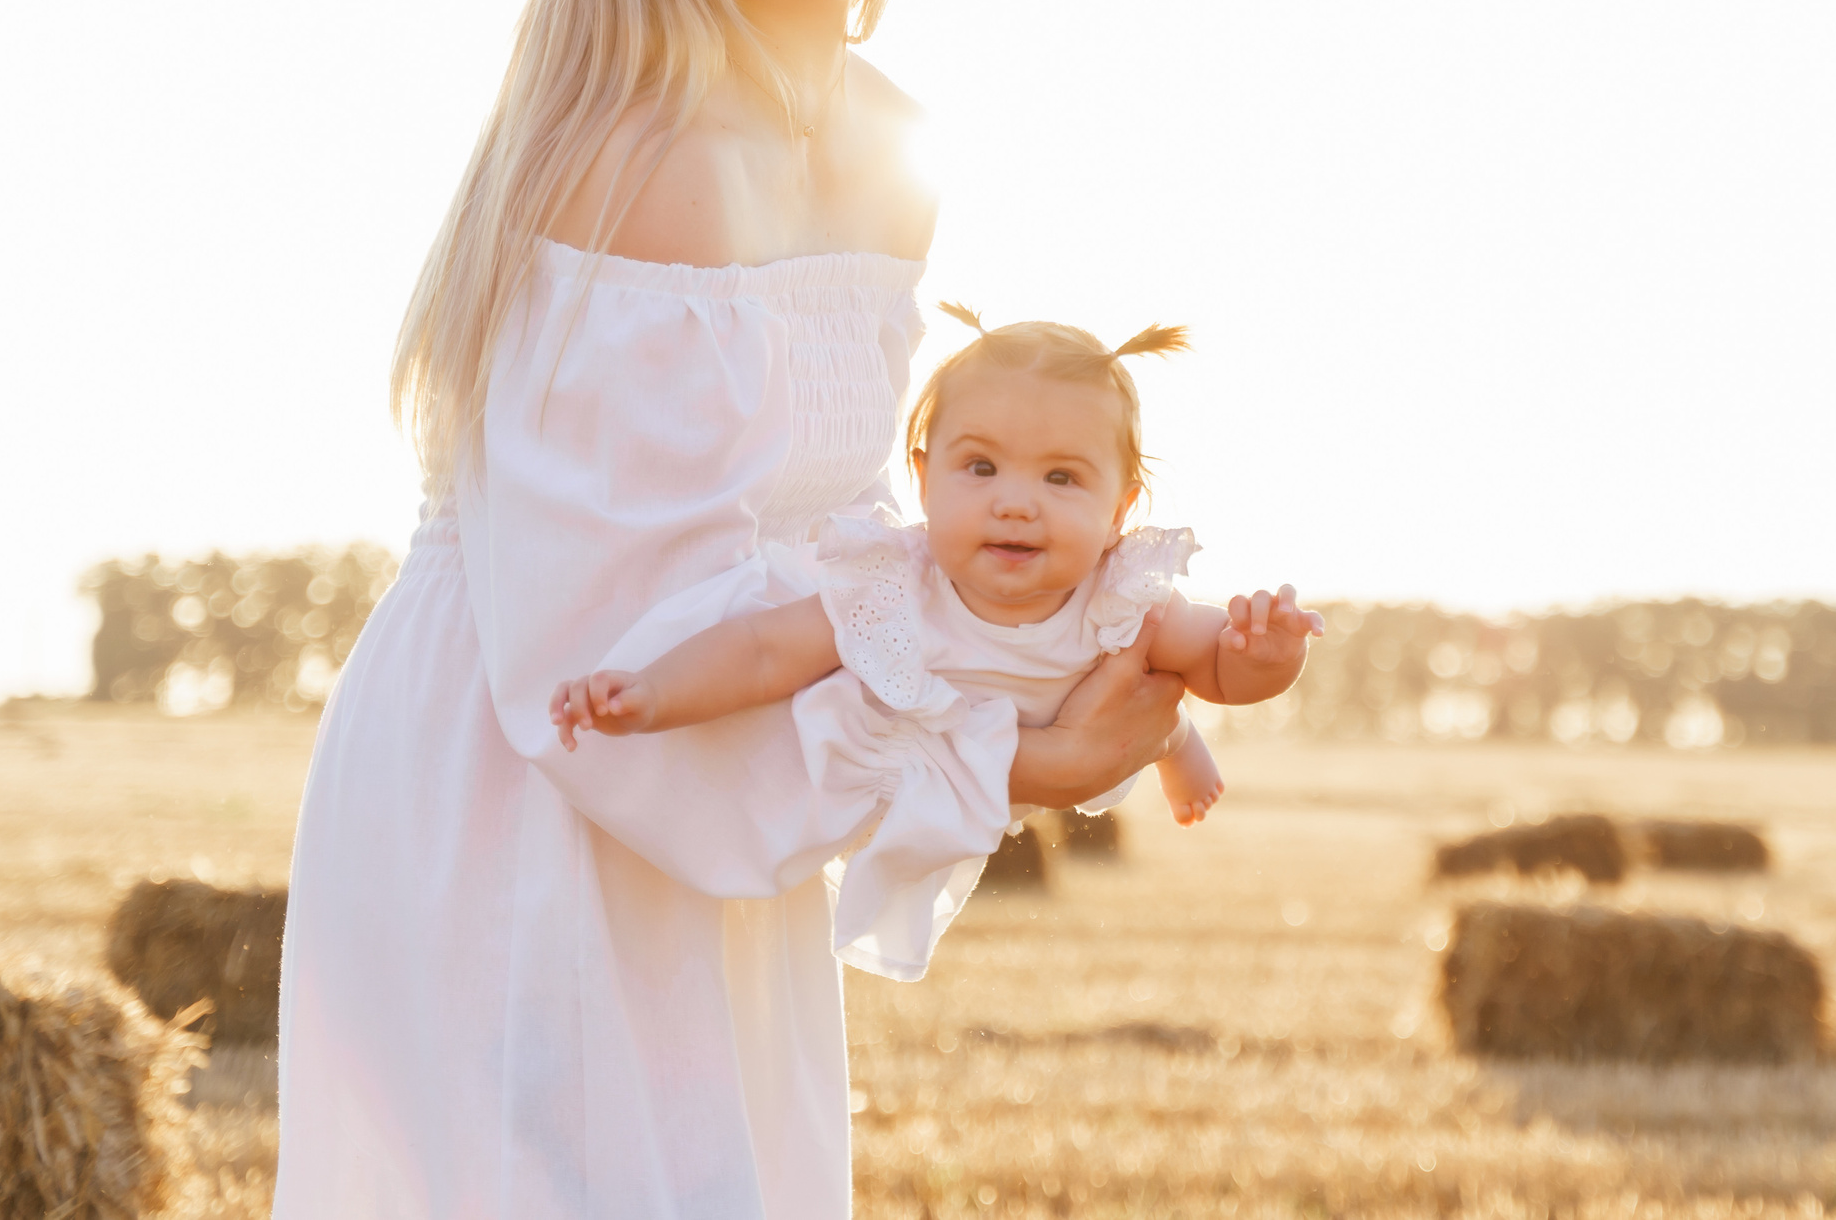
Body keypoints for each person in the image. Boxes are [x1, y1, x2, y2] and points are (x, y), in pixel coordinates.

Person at [275, 0, 1199, 1218]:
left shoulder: (891, 138)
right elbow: (616, 647)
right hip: (539, 771)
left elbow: (838, 560)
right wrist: (1006, 760)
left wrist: (1066, 624)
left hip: (736, 765)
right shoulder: (642, 162)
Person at [547, 308, 1323, 977]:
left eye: (1062, 478)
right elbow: (761, 651)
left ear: (1120, 510)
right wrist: (650, 692)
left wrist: (1270, 651)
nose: (1015, 502)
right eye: (981, 466)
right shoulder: (893, 588)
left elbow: (1218, 665)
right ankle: (1173, 745)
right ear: (923, 479)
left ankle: (1177, 749)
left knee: (1159, 689)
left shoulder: (1120, 594)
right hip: (973, 761)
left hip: (1076, 731)